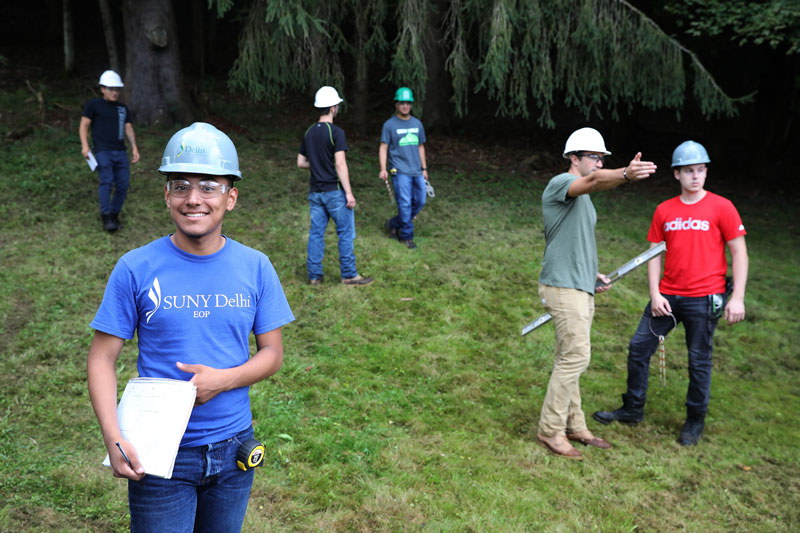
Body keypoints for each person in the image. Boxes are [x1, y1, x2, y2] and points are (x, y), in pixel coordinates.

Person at [87, 122, 295, 532]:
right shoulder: (135, 267)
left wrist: (224, 380)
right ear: (167, 195)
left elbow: (273, 354)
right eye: (180, 185)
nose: (193, 199)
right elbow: (101, 358)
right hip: (159, 450)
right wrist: (114, 437)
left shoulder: (255, 266)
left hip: (235, 447)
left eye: (209, 186)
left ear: (230, 197)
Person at [592, 140, 748, 446]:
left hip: (705, 299)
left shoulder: (722, 207)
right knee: (639, 348)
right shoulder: (664, 210)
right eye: (689, 171)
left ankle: (694, 421)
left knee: (698, 360)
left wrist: (737, 297)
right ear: (676, 174)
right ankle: (632, 409)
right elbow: (654, 254)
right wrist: (655, 293)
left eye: (700, 170)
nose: (695, 176)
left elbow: (739, 253)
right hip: (667, 297)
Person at [536, 127, 657, 459]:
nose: (600, 163)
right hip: (561, 285)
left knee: (568, 358)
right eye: (595, 157)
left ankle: (575, 425)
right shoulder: (561, 184)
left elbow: (577, 241)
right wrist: (626, 175)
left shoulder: (585, 201)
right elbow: (592, 182)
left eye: (603, 157)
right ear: (573, 158)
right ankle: (550, 430)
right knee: (576, 357)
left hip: (579, 284)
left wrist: (592, 274)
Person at [297, 86, 373, 286]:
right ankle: (348, 275)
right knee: (345, 233)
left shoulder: (309, 132)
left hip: (315, 192)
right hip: (334, 192)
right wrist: (349, 193)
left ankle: (315, 276)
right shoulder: (336, 133)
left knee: (316, 234)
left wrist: (318, 164)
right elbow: (340, 163)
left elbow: (301, 162)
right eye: (337, 105)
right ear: (332, 108)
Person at [79, 70, 140, 232]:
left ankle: (114, 214)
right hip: (102, 151)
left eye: (117, 89)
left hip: (120, 152)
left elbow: (128, 127)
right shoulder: (94, 105)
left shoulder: (122, 108)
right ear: (102, 89)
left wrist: (134, 146)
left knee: (123, 184)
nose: (114, 92)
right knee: (106, 181)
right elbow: (84, 125)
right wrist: (85, 146)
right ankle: (106, 216)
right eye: (111, 89)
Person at [379, 87, 429, 249]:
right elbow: (383, 148)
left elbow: (421, 147)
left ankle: (393, 223)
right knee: (405, 203)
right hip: (399, 171)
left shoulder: (417, 124)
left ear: (411, 105)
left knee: (420, 201)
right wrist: (383, 168)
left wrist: (424, 168)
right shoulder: (389, 125)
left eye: (408, 103)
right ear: (396, 105)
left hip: (416, 170)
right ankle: (407, 236)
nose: (405, 106)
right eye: (402, 103)